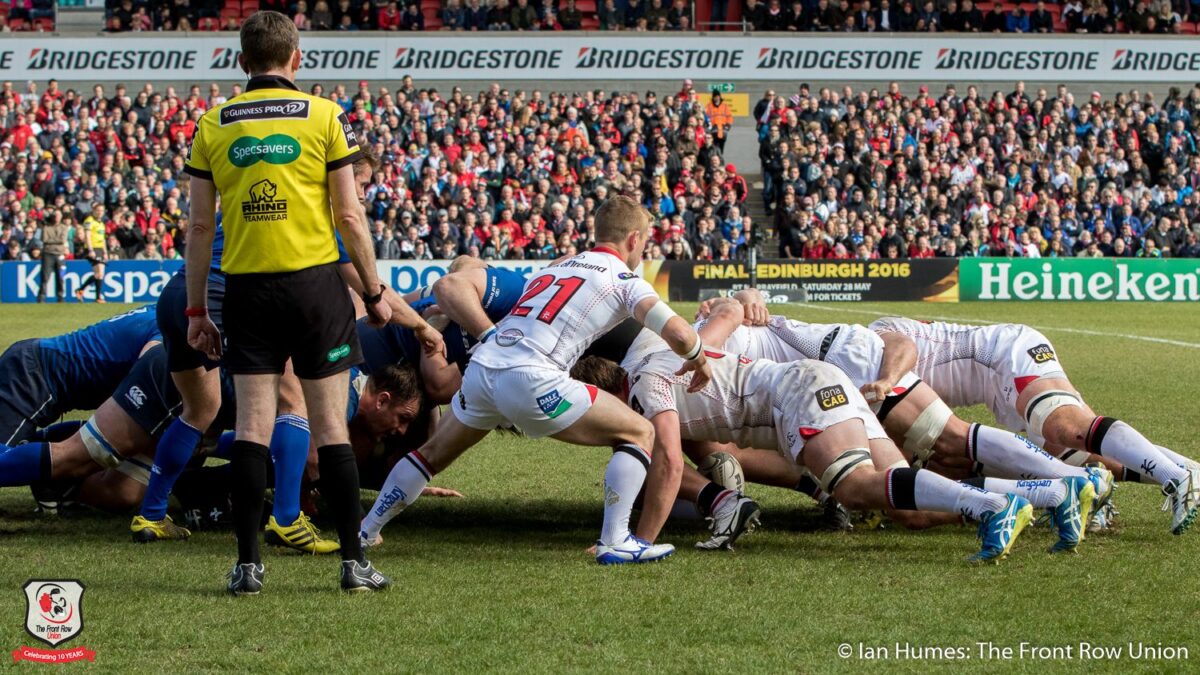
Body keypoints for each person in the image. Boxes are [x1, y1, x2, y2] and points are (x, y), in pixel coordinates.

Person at [358, 196, 713, 564]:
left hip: (482, 368)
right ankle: (615, 541)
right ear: (635, 239)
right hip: (534, 378)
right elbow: (682, 336)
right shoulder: (623, 278)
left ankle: (367, 529)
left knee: (429, 456)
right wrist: (699, 359)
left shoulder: (554, 267)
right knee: (640, 432)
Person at [183, 11, 393, 595]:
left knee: (253, 425)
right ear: (296, 58)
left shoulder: (212, 123)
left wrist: (197, 312)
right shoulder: (325, 115)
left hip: (248, 289)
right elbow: (349, 216)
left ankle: (248, 566)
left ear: (241, 61)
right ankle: (354, 565)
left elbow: (200, 229)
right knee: (329, 424)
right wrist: (374, 292)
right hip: (315, 288)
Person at [572, 300, 1036, 564]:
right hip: (815, 382)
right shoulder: (653, 363)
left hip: (801, 394)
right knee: (907, 507)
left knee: (856, 488)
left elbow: (670, 463)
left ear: (601, 387)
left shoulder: (646, 386)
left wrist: (642, 544)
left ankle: (991, 506)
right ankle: (1040, 494)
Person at [869, 316, 1200, 535]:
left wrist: (886, 379)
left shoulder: (868, 342)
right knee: (1072, 453)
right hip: (994, 386)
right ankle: (1190, 472)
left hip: (1004, 352)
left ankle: (1175, 477)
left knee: (1065, 427)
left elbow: (904, 347)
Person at [74, 204, 108, 303]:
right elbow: (87, 236)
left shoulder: (101, 223)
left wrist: (105, 252)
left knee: (99, 274)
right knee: (99, 273)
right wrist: (90, 250)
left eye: (102, 211)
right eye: (98, 210)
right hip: (93, 248)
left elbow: (102, 239)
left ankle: (82, 290)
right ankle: (97, 297)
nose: (100, 212)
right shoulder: (89, 221)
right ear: (93, 210)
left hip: (100, 249)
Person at [37, 211, 68, 303]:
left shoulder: (64, 227)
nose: (57, 217)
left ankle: (60, 297)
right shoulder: (46, 227)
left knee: (60, 277)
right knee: (45, 277)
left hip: (59, 254)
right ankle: (41, 297)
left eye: (59, 215)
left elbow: (62, 240)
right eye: (55, 215)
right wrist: (56, 241)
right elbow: (44, 239)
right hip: (48, 253)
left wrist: (51, 241)